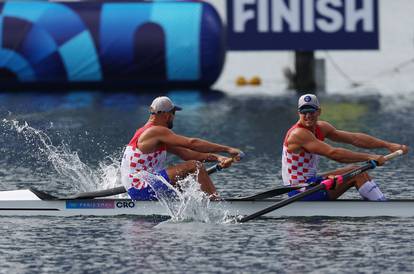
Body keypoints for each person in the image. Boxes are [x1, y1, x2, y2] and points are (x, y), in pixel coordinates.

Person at [281, 94, 409, 201]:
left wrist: (388, 145)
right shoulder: (298, 134)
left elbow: (355, 138)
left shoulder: (322, 127)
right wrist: (370, 156)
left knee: (356, 170)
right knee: (357, 174)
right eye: (304, 111)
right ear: (299, 113)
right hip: (300, 191)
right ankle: (383, 207)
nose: (308, 115)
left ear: (319, 111)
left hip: (312, 182)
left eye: (311, 111)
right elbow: (334, 153)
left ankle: (379, 202)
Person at [121, 96, 242, 201]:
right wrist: (227, 149)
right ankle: (216, 203)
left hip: (144, 185)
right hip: (140, 187)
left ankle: (203, 202)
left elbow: (186, 154)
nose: (174, 117)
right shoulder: (155, 131)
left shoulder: (152, 134)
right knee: (195, 166)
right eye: (174, 113)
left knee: (186, 180)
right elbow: (192, 143)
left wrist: (218, 158)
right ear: (168, 115)